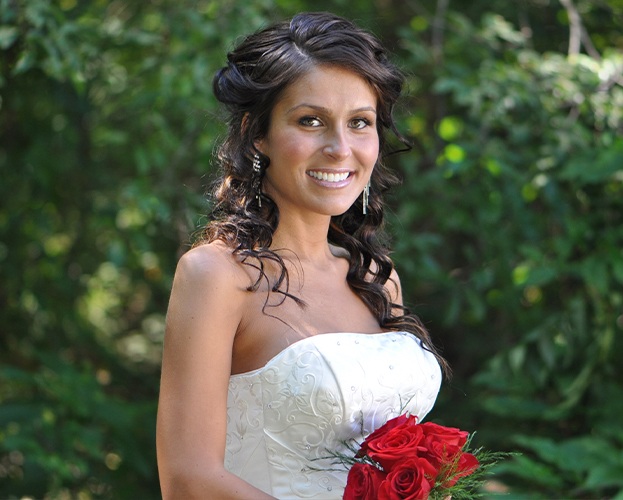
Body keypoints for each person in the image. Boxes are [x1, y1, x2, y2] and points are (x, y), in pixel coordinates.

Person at [156, 11, 448, 499]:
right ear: (257, 134)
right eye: (310, 121)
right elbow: (188, 479)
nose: (340, 148)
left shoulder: (375, 277)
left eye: (360, 123)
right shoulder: (216, 275)